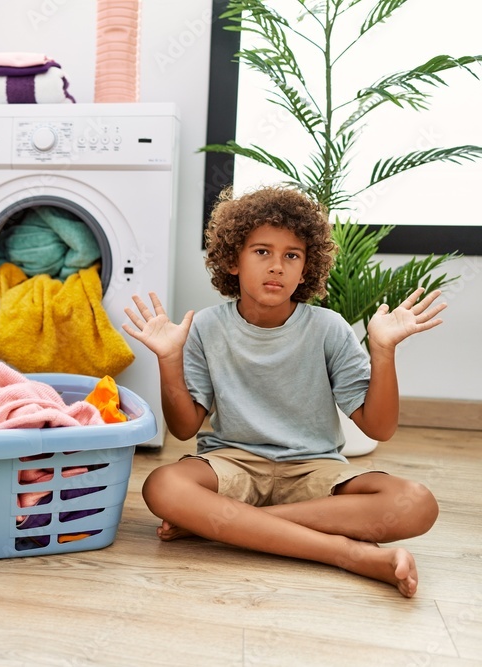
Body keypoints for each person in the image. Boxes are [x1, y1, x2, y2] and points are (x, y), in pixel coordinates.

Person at [122, 186, 443, 598]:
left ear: (306, 268)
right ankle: (348, 553)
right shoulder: (204, 326)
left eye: (291, 255)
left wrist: (382, 350)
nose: (277, 266)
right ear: (231, 259)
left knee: (416, 502)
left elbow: (379, 427)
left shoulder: (329, 328)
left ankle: (231, 522)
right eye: (261, 252)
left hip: (315, 468)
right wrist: (169, 358)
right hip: (232, 463)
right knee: (162, 486)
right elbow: (185, 429)